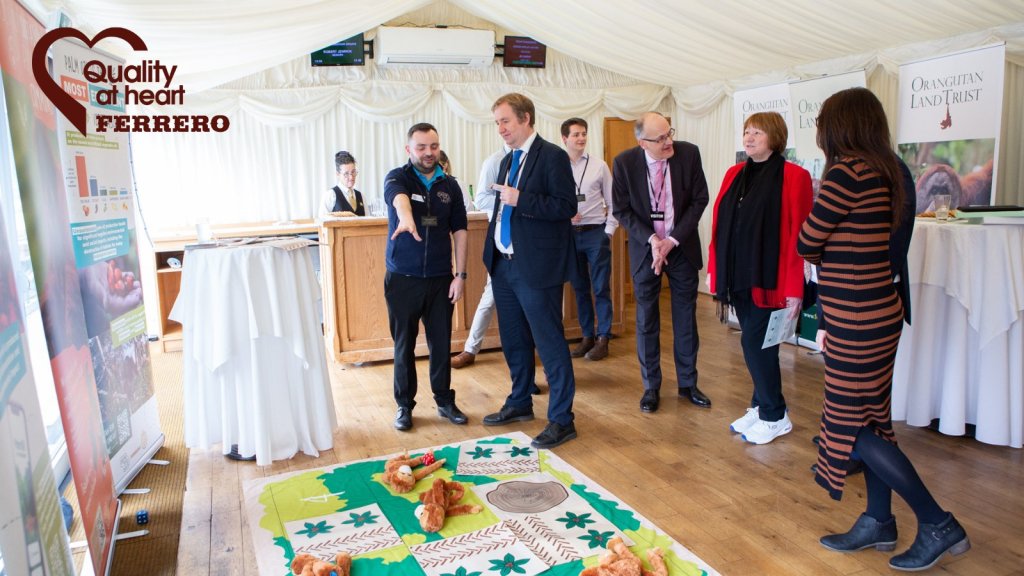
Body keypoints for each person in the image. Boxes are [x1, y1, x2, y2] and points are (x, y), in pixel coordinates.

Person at [798, 87, 969, 571]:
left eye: (824, 121)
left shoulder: (846, 172)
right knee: (873, 420)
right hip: (879, 310)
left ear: (841, 125)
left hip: (854, 315)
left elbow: (807, 241)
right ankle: (878, 521)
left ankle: (937, 522)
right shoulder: (890, 170)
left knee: (848, 428)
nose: (820, 130)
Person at [707, 111, 812, 444]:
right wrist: (714, 268)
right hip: (737, 274)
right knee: (757, 344)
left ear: (775, 137)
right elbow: (719, 223)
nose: (749, 138)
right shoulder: (734, 173)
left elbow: (799, 236)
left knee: (756, 344)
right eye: (747, 131)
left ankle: (774, 414)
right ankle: (759, 405)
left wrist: (795, 288)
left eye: (757, 132)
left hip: (772, 280)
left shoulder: (795, 176)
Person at [481, 92, 579, 449]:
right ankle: (520, 400)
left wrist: (522, 199)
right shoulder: (507, 160)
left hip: (537, 267)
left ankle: (562, 419)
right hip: (504, 264)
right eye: (497, 123)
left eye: (505, 121)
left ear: (525, 118)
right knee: (514, 339)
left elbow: (566, 206)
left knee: (549, 342)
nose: (501, 129)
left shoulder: (552, 156)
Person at [611, 112, 710, 414]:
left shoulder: (689, 154)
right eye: (661, 138)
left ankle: (688, 384)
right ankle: (651, 387)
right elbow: (622, 210)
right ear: (642, 142)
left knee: (685, 318)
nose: (669, 142)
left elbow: (700, 199)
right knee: (646, 320)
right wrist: (653, 240)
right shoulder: (624, 163)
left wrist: (672, 240)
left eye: (670, 133)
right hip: (646, 250)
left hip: (681, 247)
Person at [384, 123, 469, 432]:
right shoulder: (397, 177)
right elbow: (399, 199)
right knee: (403, 345)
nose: (428, 152)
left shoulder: (450, 186)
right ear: (409, 149)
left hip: (440, 279)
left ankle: (445, 401)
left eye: (433, 146)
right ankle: (404, 406)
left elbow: (460, 230)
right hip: (403, 278)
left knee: (441, 344)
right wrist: (407, 219)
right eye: (421, 147)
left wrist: (460, 275)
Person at [561, 118, 617, 361]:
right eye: (576, 134)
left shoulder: (599, 165)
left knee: (601, 287)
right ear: (565, 139)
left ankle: (603, 337)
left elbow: (613, 201)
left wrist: (608, 231)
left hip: (596, 233)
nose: (581, 138)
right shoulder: (557, 166)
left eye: (584, 133)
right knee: (580, 288)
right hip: (570, 236)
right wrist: (564, 217)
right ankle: (587, 337)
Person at [450, 145, 505, 369]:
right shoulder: (494, 161)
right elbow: (481, 199)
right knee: (489, 297)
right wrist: (513, 201)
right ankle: (470, 349)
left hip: (529, 241)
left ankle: (538, 354)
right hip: (501, 240)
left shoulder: (536, 159)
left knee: (532, 300)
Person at [318, 151, 365, 218]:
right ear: (338, 174)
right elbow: (323, 222)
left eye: (353, 172)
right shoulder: (330, 195)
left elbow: (369, 221)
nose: (351, 177)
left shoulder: (361, 196)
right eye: (346, 174)